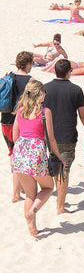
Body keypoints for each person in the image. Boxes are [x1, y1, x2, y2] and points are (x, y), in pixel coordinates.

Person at [10, 79, 60, 236]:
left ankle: (32, 228)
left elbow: (15, 136)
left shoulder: (20, 111)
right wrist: (59, 156)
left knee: (30, 194)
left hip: (19, 153)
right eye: (44, 92)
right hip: (35, 152)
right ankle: (33, 211)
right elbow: (50, 138)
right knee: (48, 187)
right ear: (40, 95)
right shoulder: (45, 112)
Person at [42, 60, 84, 215]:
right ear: (69, 72)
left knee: (56, 167)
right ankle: (60, 207)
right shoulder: (76, 90)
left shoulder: (45, 88)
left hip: (49, 135)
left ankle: (60, 201)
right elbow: (83, 116)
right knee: (64, 170)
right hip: (68, 135)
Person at [2, 51, 34, 202]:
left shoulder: (7, 77)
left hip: (5, 122)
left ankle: (19, 185)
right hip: (20, 124)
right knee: (19, 157)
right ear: (28, 64)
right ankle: (16, 194)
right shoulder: (31, 81)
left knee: (12, 152)